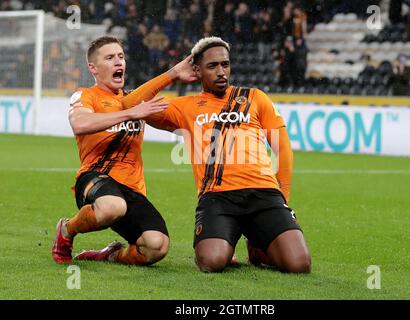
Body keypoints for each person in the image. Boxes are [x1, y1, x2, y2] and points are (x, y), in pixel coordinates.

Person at [132, 36, 312, 273]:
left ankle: (256, 244)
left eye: (225, 64)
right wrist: (173, 74)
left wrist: (283, 197)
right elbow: (130, 104)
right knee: (211, 262)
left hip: (264, 193)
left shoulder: (254, 97)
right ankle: (237, 237)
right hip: (217, 197)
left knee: (299, 265)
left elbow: (283, 147)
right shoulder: (185, 106)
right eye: (212, 66)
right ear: (196, 70)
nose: (221, 72)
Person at [51, 36, 197, 265]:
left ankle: (110, 254)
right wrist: (131, 114)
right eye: (110, 58)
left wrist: (175, 75)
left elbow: (170, 115)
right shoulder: (86, 96)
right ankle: (67, 230)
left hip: (132, 189)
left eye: (121, 56)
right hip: (95, 178)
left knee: (156, 247)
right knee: (112, 206)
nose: (119, 62)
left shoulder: (134, 100)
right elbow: (80, 124)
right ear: (93, 68)